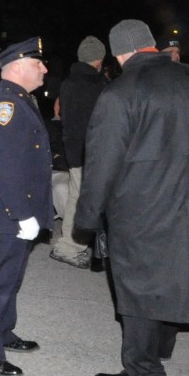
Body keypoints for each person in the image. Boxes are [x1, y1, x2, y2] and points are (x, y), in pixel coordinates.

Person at [76, 19, 189, 376]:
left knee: (138, 286)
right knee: (178, 270)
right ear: (151, 46)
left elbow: (102, 162)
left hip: (140, 206)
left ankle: (145, 374)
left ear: (120, 52)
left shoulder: (121, 92)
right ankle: (162, 349)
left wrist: (88, 217)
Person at [0, 37, 54, 376]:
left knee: (10, 279)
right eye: (38, 63)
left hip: (18, 212)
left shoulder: (20, 100)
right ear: (18, 67)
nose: (45, 68)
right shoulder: (5, 106)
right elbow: (7, 168)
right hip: (7, 213)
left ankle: (3, 332)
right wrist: (22, 215)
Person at [50, 35, 107, 269]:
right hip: (94, 153)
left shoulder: (68, 84)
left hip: (73, 150)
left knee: (76, 196)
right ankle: (71, 247)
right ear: (99, 60)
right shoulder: (99, 86)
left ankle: (72, 244)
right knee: (86, 200)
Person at [46, 97, 70, 219]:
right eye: (58, 104)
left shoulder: (76, 126)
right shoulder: (46, 127)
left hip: (74, 169)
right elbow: (46, 154)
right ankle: (73, 230)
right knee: (61, 187)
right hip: (57, 170)